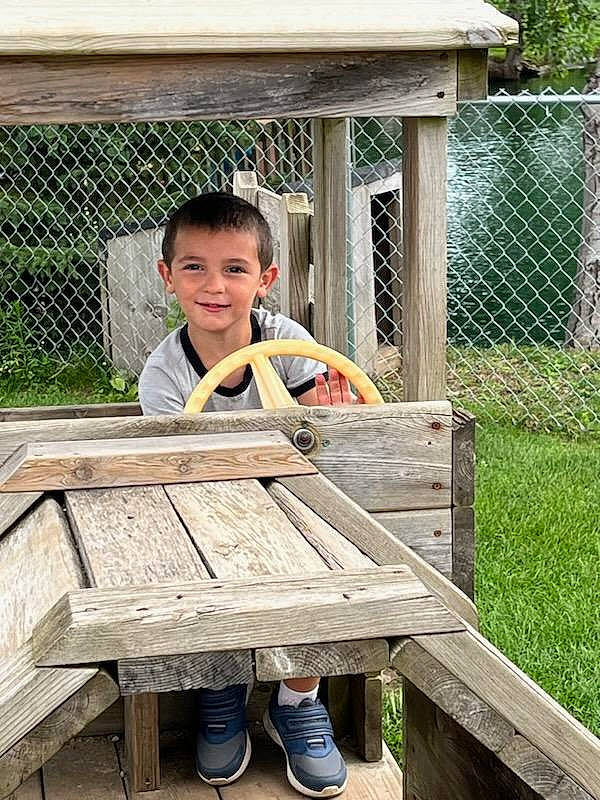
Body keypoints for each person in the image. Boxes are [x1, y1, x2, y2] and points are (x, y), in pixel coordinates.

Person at [138, 192, 353, 798]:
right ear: (167, 277)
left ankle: (296, 701)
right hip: (205, 511)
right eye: (194, 267)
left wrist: (334, 417)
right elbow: (171, 468)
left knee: (330, 563)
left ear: (265, 280)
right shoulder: (164, 374)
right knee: (194, 570)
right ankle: (223, 687)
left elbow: (321, 423)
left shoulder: (284, 340)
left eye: (235, 269)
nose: (215, 285)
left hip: (293, 503)